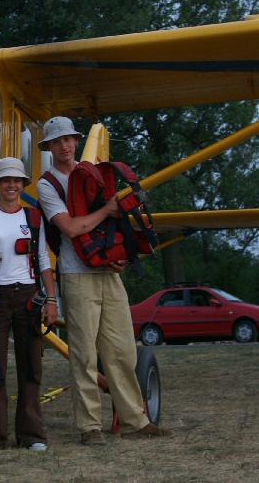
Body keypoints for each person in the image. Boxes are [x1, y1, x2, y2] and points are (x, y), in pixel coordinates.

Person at [36, 117, 171, 444]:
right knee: (83, 354)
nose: (66, 146)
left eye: (69, 139)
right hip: (75, 274)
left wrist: (118, 254)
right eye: (58, 142)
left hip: (107, 273)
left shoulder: (92, 172)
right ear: (50, 148)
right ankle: (89, 427)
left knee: (124, 350)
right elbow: (70, 228)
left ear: (75, 142)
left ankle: (135, 421)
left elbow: (109, 223)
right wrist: (109, 209)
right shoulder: (47, 184)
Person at [0, 157, 58, 451]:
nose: (11, 185)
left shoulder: (33, 219)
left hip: (29, 297)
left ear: (22, 184)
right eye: (6, 180)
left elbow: (44, 260)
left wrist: (52, 299)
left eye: (17, 180)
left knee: (31, 366)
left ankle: (31, 435)